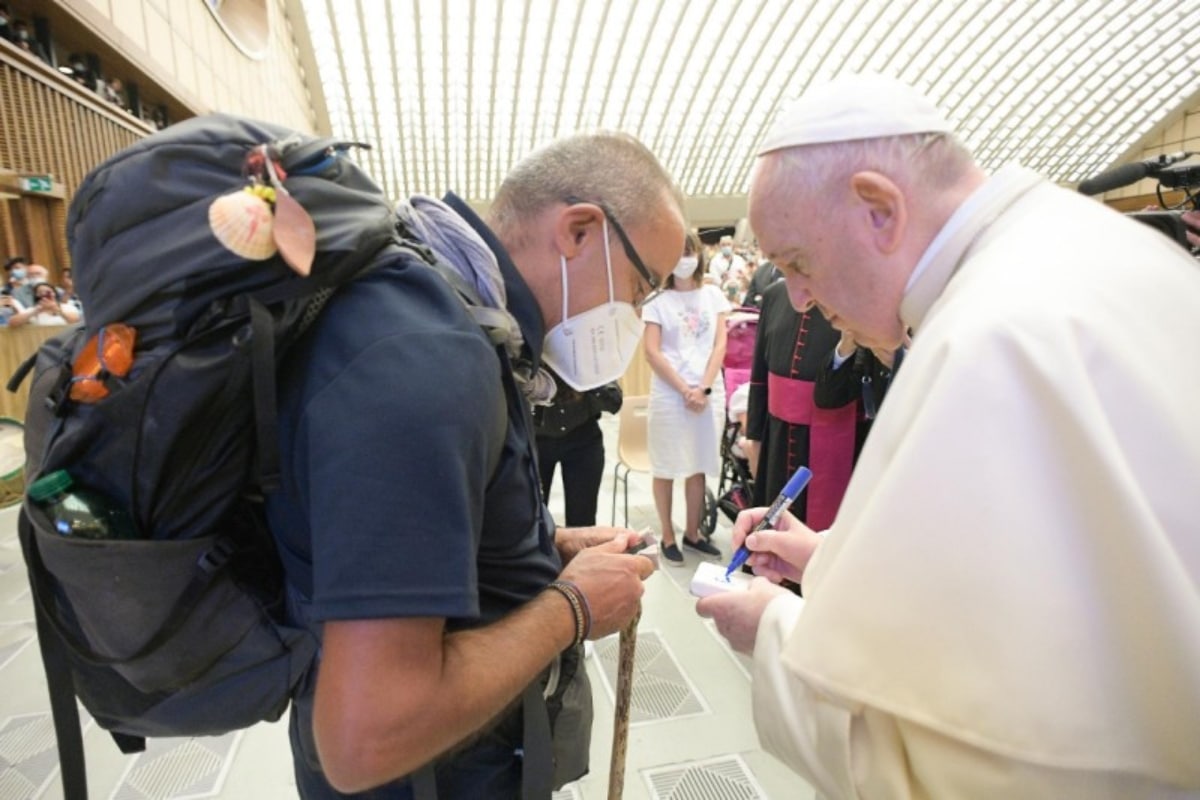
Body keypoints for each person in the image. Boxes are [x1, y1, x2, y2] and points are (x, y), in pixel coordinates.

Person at [696, 73, 1200, 798]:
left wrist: (774, 630)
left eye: (799, 264)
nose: (799, 299)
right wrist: (826, 559)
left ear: (878, 208)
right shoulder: (1090, 247)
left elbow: (974, 760)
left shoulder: (990, 338)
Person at [264, 131, 685, 798]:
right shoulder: (428, 360)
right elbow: (365, 738)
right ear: (578, 232)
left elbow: (404, 545)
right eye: (640, 286)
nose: (635, 314)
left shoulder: (460, 323)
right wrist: (571, 608)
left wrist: (549, 545)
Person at [641, 232, 729, 564]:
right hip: (669, 394)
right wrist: (684, 389)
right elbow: (651, 351)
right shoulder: (656, 300)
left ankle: (694, 533)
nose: (684, 258)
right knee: (665, 466)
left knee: (698, 465)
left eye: (689, 251)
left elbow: (720, 344)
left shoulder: (714, 295)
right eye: (677, 252)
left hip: (708, 393)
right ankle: (667, 534)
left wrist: (703, 388)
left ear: (699, 255)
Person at [745, 280, 856, 532]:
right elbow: (759, 376)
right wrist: (754, 436)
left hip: (835, 435)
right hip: (777, 440)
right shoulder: (774, 294)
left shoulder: (853, 297)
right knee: (772, 528)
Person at [533, 370, 623, 527]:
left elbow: (614, 402)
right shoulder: (527, 349)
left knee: (582, 521)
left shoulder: (586, 353)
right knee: (533, 521)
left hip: (583, 440)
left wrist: (586, 382)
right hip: (535, 441)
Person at [812, 328, 904, 461]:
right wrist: (846, 347)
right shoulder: (875, 334)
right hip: (880, 450)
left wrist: (901, 362)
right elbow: (827, 397)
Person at [7, 280, 78, 326]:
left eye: (48, 292)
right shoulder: (33, 310)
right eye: (41, 292)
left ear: (54, 293)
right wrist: (36, 311)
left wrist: (58, 310)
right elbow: (12, 323)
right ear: (36, 296)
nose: (45, 294)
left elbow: (75, 321)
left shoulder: (67, 307)